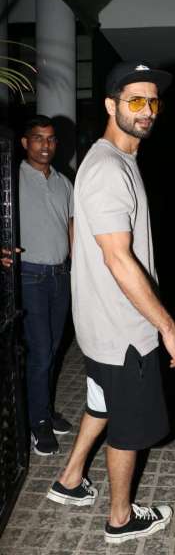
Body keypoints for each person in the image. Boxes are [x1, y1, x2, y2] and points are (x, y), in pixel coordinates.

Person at [46, 61, 175, 545]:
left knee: (102, 402)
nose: (147, 110)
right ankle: (120, 518)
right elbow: (118, 258)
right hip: (123, 332)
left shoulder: (113, 160)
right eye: (135, 100)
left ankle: (70, 481)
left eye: (152, 100)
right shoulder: (110, 167)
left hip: (100, 327)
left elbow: (86, 238)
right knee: (129, 428)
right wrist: (169, 329)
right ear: (112, 105)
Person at [0, 116, 74, 456]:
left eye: (51, 139)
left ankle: (41, 408)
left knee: (53, 349)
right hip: (29, 275)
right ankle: (38, 422)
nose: (46, 145)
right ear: (25, 143)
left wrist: (78, 268)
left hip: (61, 275)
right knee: (41, 352)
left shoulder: (63, 182)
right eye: (38, 138)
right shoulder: (11, 178)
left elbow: (71, 228)